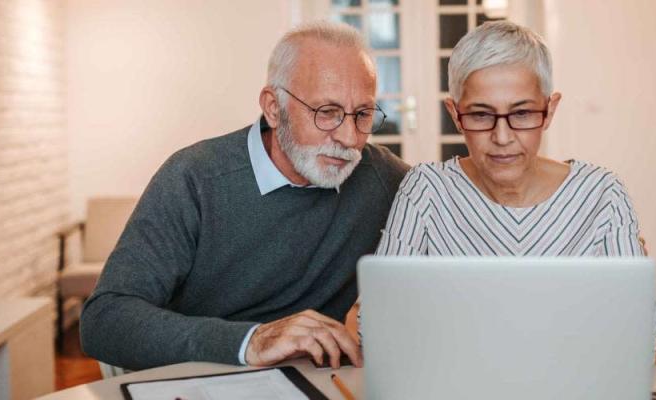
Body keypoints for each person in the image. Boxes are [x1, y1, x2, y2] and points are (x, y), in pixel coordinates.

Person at [80, 21, 410, 371]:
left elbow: (454, 194)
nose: (348, 137)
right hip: (194, 377)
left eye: (362, 115)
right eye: (326, 113)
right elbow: (105, 320)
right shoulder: (195, 178)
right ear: (273, 107)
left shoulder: (381, 177)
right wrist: (251, 340)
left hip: (310, 382)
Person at [361, 21, 656, 341]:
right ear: (455, 114)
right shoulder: (425, 190)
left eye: (521, 114)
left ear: (549, 111)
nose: (502, 137)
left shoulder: (602, 194)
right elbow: (378, 321)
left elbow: (640, 329)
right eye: (480, 115)